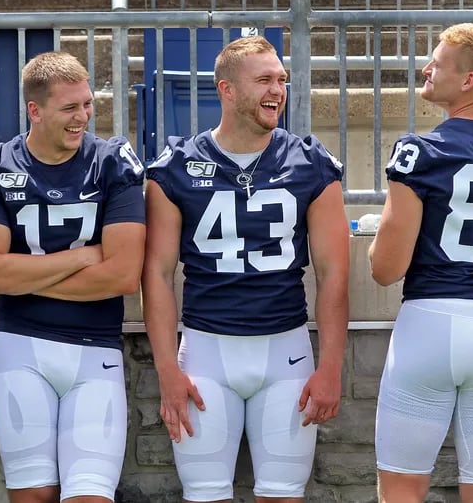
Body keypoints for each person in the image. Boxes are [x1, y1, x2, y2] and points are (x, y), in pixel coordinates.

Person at [141, 35, 349, 503]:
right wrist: (165, 372)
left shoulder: (310, 164)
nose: (277, 89)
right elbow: (155, 274)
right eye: (263, 80)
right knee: (205, 495)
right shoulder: (175, 167)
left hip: (287, 352)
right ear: (227, 90)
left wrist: (332, 365)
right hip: (204, 354)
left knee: (283, 495)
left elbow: (333, 274)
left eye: (280, 79)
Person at [0, 51, 145, 503]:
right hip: (20, 348)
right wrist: (83, 258)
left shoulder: (112, 161)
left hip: (95, 349)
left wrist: (24, 274)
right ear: (35, 109)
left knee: (90, 498)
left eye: (87, 104)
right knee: (33, 498)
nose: (83, 116)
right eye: (70, 108)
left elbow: (123, 275)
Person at [369, 23, 473, 503]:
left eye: (438, 62)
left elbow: (385, 268)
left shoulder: (421, 151)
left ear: (468, 80)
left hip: (432, 324)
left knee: (401, 489)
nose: (426, 67)